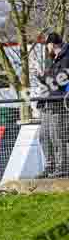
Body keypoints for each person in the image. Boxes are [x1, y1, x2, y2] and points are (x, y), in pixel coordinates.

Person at [38, 32, 69, 178]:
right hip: (46, 101)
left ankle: (62, 167)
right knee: (43, 136)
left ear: (52, 44)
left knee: (57, 135)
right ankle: (50, 166)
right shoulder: (51, 58)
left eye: (47, 45)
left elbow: (59, 80)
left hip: (58, 102)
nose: (46, 48)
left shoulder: (67, 57)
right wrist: (41, 76)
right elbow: (49, 80)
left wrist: (43, 76)